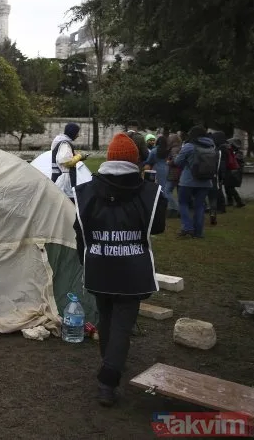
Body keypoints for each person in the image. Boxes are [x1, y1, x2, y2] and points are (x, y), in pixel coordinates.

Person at [73, 133, 167, 407]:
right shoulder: (150, 192)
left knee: (105, 317)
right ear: (136, 160)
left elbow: (80, 231)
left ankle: (109, 366)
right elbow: (158, 226)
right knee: (122, 324)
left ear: (109, 157)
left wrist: (87, 258)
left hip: (99, 265)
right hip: (132, 269)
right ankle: (108, 379)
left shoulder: (85, 192)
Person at [173, 126, 216, 238]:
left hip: (188, 181)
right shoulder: (211, 146)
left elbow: (178, 162)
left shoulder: (189, 146)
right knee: (199, 206)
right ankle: (198, 232)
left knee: (183, 203)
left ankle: (187, 227)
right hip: (206, 181)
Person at [51, 122, 88, 201]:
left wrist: (78, 157)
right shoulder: (64, 144)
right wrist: (80, 156)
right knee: (68, 206)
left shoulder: (62, 142)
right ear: (73, 132)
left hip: (61, 179)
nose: (78, 135)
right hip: (64, 182)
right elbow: (67, 162)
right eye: (77, 133)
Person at [163, 132, 183, 217]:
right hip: (178, 173)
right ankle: (173, 209)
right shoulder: (180, 148)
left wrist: (168, 162)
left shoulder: (174, 149)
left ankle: (176, 208)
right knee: (171, 191)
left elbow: (176, 161)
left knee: (167, 191)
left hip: (173, 173)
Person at [225, 138, 246, 208]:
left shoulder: (238, 154)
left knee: (230, 187)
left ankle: (239, 201)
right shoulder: (233, 152)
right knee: (227, 187)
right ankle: (230, 201)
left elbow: (234, 163)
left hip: (234, 173)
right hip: (232, 172)